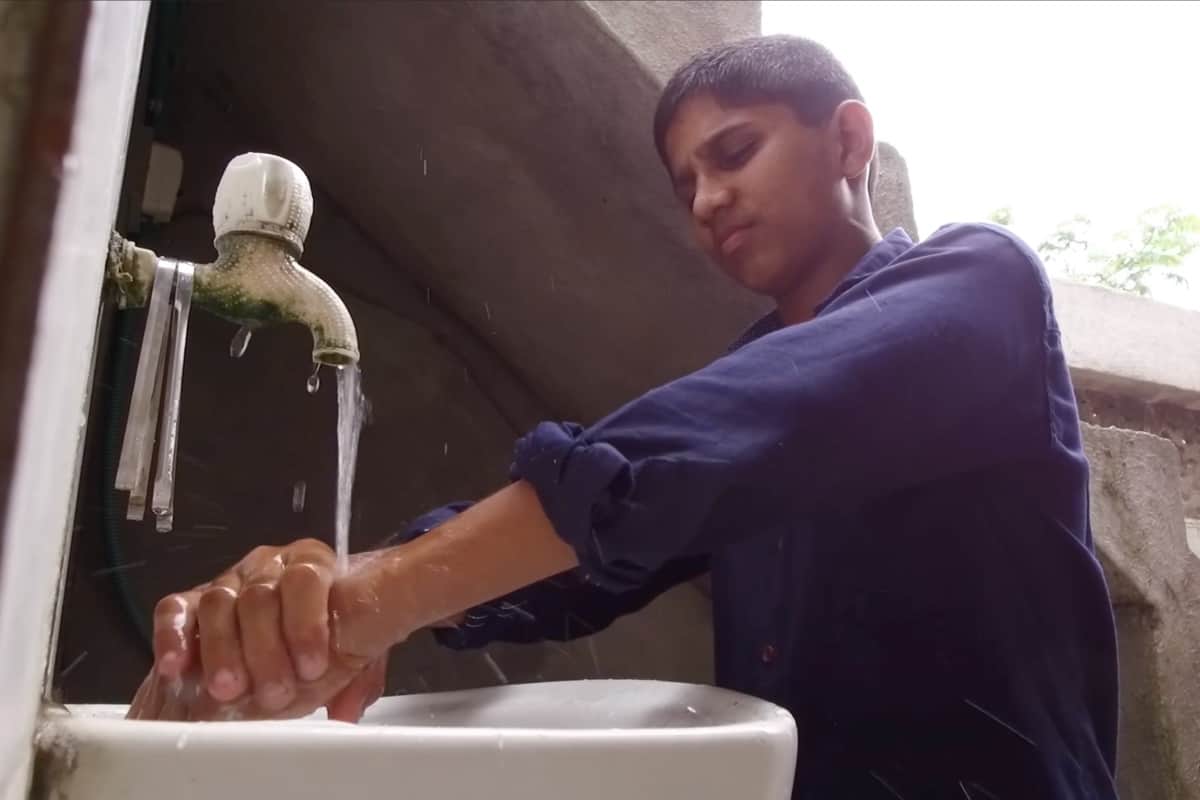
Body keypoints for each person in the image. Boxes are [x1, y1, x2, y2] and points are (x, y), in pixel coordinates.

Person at [129, 34, 1120, 799]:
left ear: (850, 142)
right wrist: (346, 587)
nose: (708, 200)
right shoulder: (739, 383)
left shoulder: (981, 283)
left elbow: (693, 448)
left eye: (734, 152)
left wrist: (373, 597)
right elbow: (594, 559)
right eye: (686, 184)